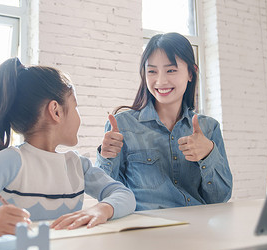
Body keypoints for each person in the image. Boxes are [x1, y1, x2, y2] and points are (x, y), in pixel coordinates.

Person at [0, 58, 136, 236]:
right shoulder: (10, 161)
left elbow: (124, 195)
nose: (79, 116)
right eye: (76, 107)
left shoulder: (77, 165)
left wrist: (103, 208)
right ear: (56, 111)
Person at [96, 32, 233, 210]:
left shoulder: (209, 128)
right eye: (152, 71)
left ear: (191, 73)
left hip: (197, 229)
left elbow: (220, 198)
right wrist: (106, 156)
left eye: (171, 70)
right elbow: (106, 194)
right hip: (146, 231)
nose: (161, 81)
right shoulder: (122, 126)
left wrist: (208, 153)